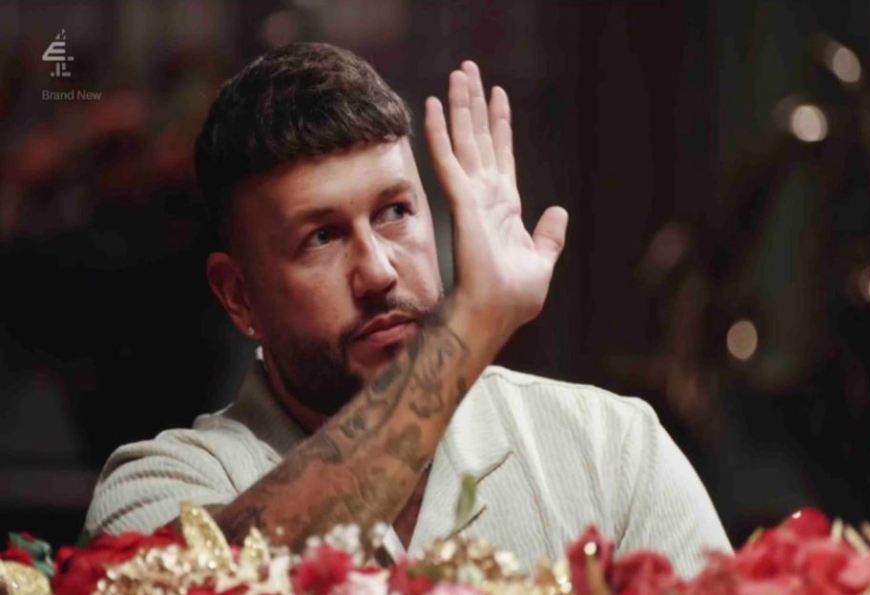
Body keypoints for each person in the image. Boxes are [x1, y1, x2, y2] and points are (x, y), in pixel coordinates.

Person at [84, 42, 730, 576]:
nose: (378, 270)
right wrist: (475, 322)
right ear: (239, 296)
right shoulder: (159, 484)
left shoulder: (610, 447)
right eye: (322, 236)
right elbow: (196, 578)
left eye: (396, 212)